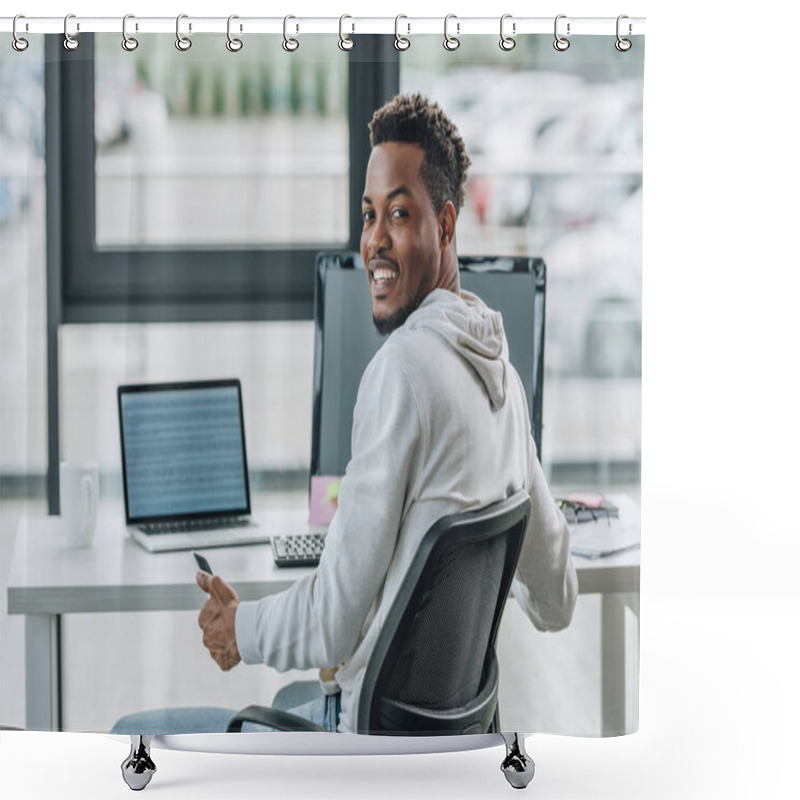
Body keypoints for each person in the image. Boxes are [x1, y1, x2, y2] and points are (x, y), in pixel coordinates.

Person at [112, 93, 577, 736]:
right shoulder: (503, 379)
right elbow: (557, 600)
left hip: (362, 751)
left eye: (399, 214)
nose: (374, 242)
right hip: (447, 752)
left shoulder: (404, 371)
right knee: (314, 678)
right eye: (368, 215)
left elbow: (330, 621)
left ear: (444, 226)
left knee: (132, 735)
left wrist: (238, 628)